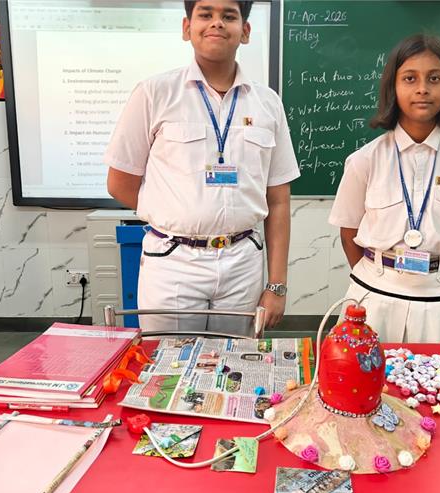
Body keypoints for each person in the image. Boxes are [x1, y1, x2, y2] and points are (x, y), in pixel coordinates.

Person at [104, 0, 299, 335]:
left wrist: (277, 285)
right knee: (167, 359)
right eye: (205, 14)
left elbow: (278, 200)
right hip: (173, 261)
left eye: (229, 16)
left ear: (245, 31)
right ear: (187, 28)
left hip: (242, 262)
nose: (217, 23)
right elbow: (120, 181)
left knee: (235, 358)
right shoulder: (155, 93)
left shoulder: (267, 103)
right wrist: (174, 213)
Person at [329, 34, 440, 389]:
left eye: (434, 78)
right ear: (393, 87)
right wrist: (380, 277)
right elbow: (348, 233)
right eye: (410, 78)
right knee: (367, 396)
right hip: (376, 299)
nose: (423, 88)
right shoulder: (364, 160)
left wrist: (438, 271)